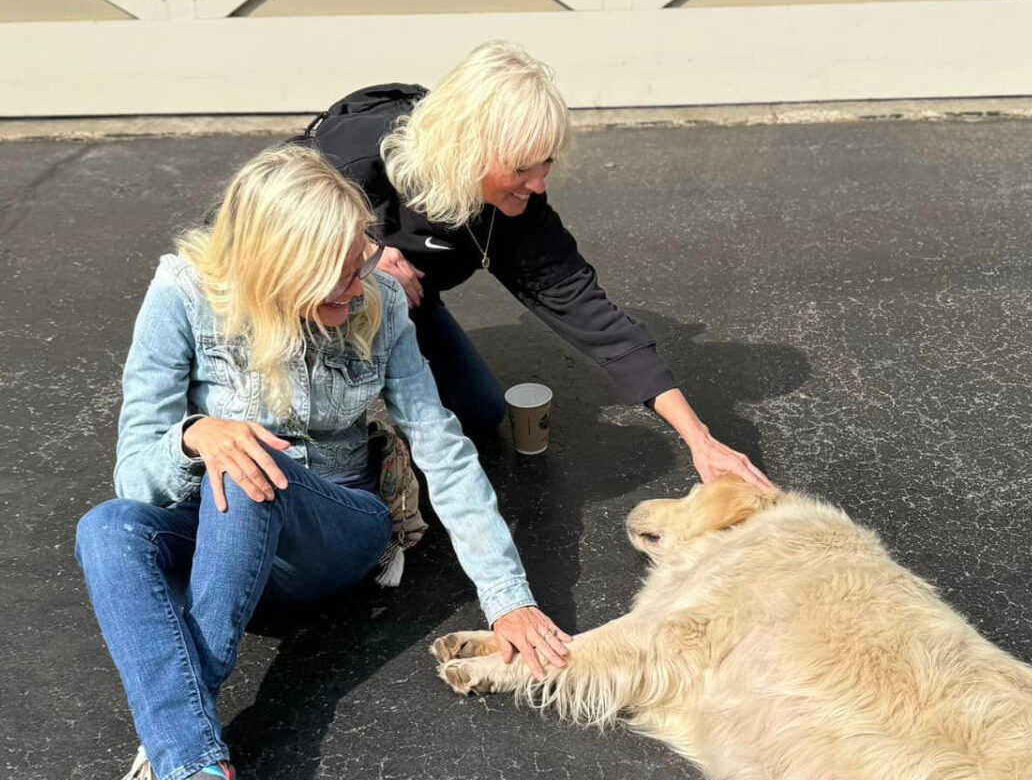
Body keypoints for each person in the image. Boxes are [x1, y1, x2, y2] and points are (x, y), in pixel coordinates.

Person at [75, 145, 570, 780]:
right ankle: (209, 779)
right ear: (278, 267)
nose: (364, 279)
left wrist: (509, 599)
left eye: (362, 260)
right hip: (223, 536)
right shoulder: (183, 296)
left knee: (249, 463)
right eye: (339, 271)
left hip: (335, 528)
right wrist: (198, 433)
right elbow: (136, 474)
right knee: (107, 529)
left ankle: (169, 746)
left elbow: (441, 447)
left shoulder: (379, 303)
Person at [298, 41, 774, 491]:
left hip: (403, 309)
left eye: (545, 163)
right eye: (523, 167)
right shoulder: (363, 150)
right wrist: (363, 249)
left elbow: (595, 317)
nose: (539, 183)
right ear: (470, 150)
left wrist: (700, 439)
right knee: (313, 416)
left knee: (480, 413)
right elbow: (244, 226)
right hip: (303, 301)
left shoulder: (517, 215)